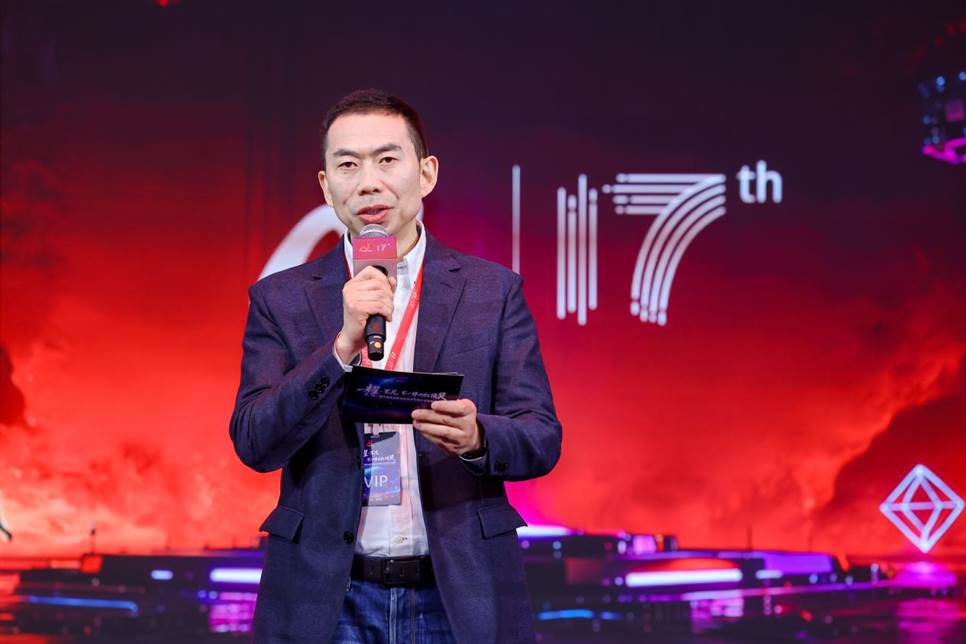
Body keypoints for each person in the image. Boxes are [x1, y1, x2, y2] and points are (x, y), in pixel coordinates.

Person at [229, 89, 562, 643]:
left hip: (457, 592)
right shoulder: (280, 299)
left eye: (387, 159)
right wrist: (340, 349)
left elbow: (541, 436)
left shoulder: (492, 292)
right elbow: (254, 441)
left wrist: (478, 437)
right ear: (326, 186)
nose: (368, 182)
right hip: (327, 596)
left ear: (426, 173)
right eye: (348, 165)